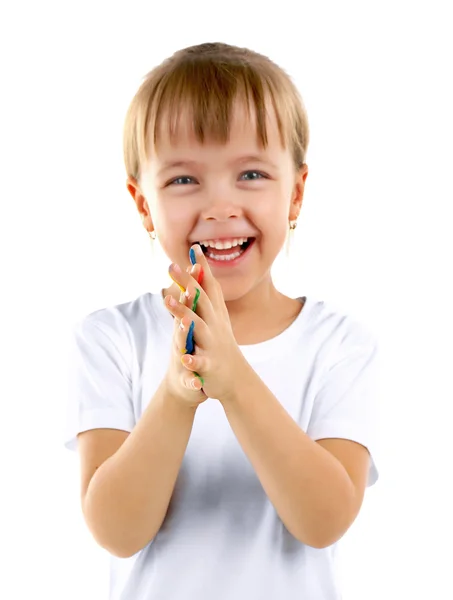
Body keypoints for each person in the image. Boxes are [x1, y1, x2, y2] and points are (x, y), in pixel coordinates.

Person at [64, 41, 379, 600]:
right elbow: (116, 531)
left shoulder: (338, 344)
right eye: (184, 180)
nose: (219, 207)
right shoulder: (112, 337)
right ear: (143, 205)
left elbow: (325, 519)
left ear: (296, 194)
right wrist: (177, 395)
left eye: (252, 174)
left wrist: (234, 382)